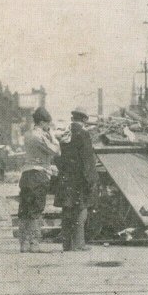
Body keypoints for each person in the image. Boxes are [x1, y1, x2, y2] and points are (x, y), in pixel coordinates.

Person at [55, 107, 98, 251]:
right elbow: (87, 159)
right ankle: (79, 244)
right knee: (81, 209)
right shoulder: (83, 133)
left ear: (73, 118)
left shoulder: (65, 133)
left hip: (65, 178)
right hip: (79, 179)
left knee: (67, 210)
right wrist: (91, 179)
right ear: (85, 119)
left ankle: (67, 244)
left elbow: (57, 157)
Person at [19, 107, 61, 252]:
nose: (48, 126)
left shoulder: (27, 134)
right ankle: (34, 243)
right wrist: (53, 136)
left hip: (26, 174)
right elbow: (56, 151)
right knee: (36, 209)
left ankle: (23, 244)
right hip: (39, 174)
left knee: (24, 209)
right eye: (47, 124)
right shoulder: (41, 136)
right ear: (42, 122)